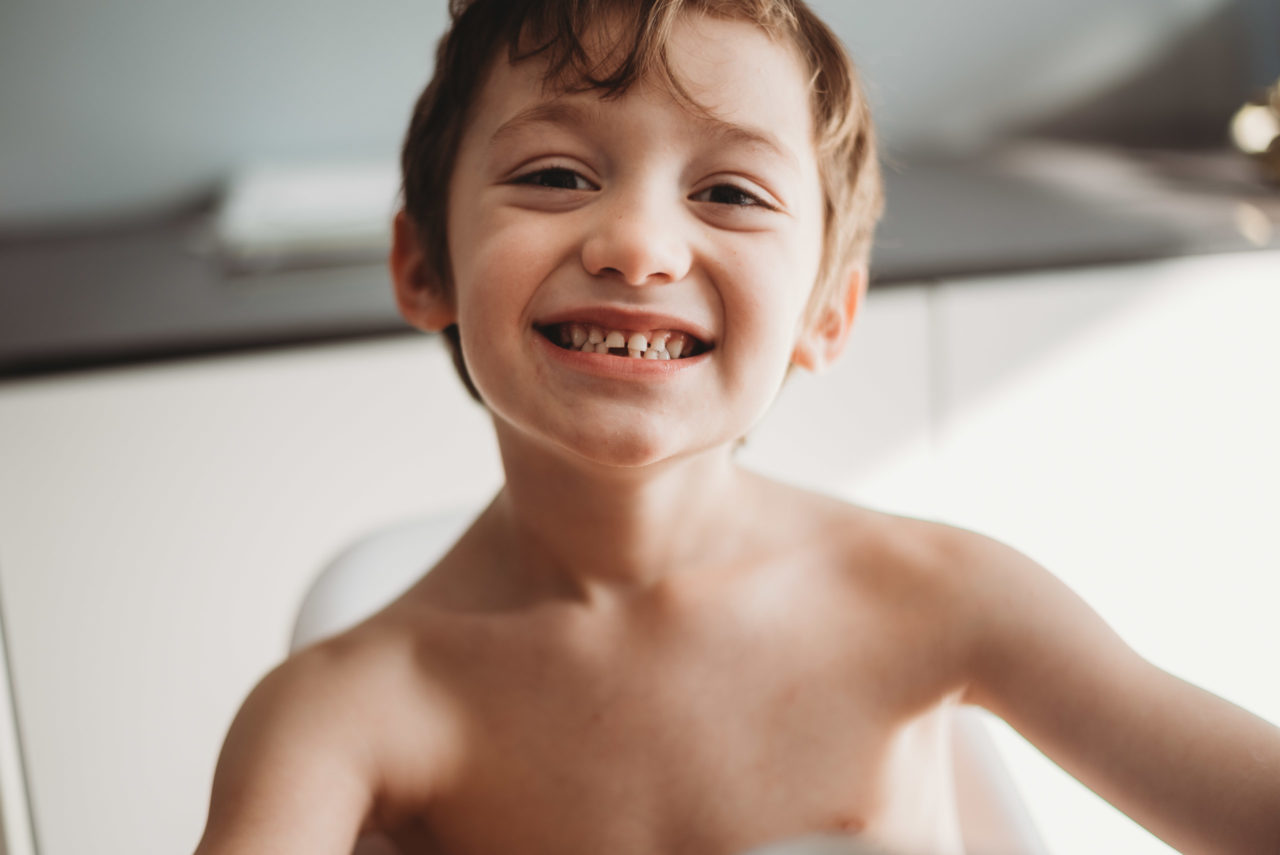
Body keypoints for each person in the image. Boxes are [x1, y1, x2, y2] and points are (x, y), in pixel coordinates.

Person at [192, 1, 1280, 853]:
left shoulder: (949, 602)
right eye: (555, 174)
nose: (636, 245)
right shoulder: (343, 712)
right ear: (422, 265)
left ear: (826, 314)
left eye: (729, 194)